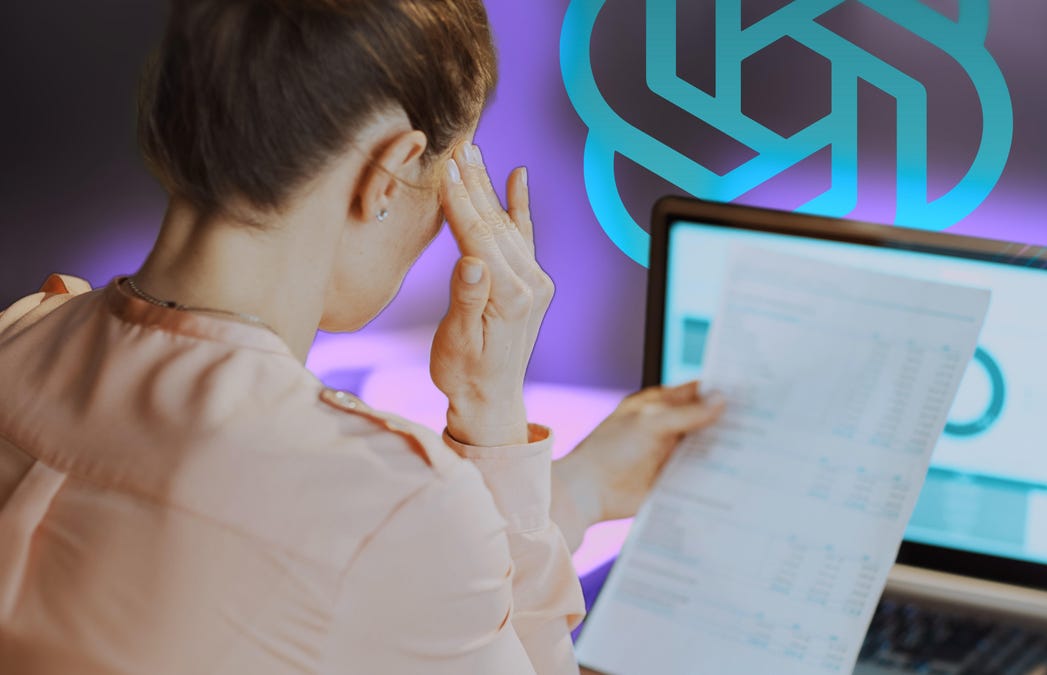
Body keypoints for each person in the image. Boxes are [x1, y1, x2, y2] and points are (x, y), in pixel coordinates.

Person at [0, 1, 725, 673]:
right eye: (447, 179)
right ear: (386, 174)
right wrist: (492, 415)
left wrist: (582, 487)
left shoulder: (21, 334)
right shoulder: (393, 504)